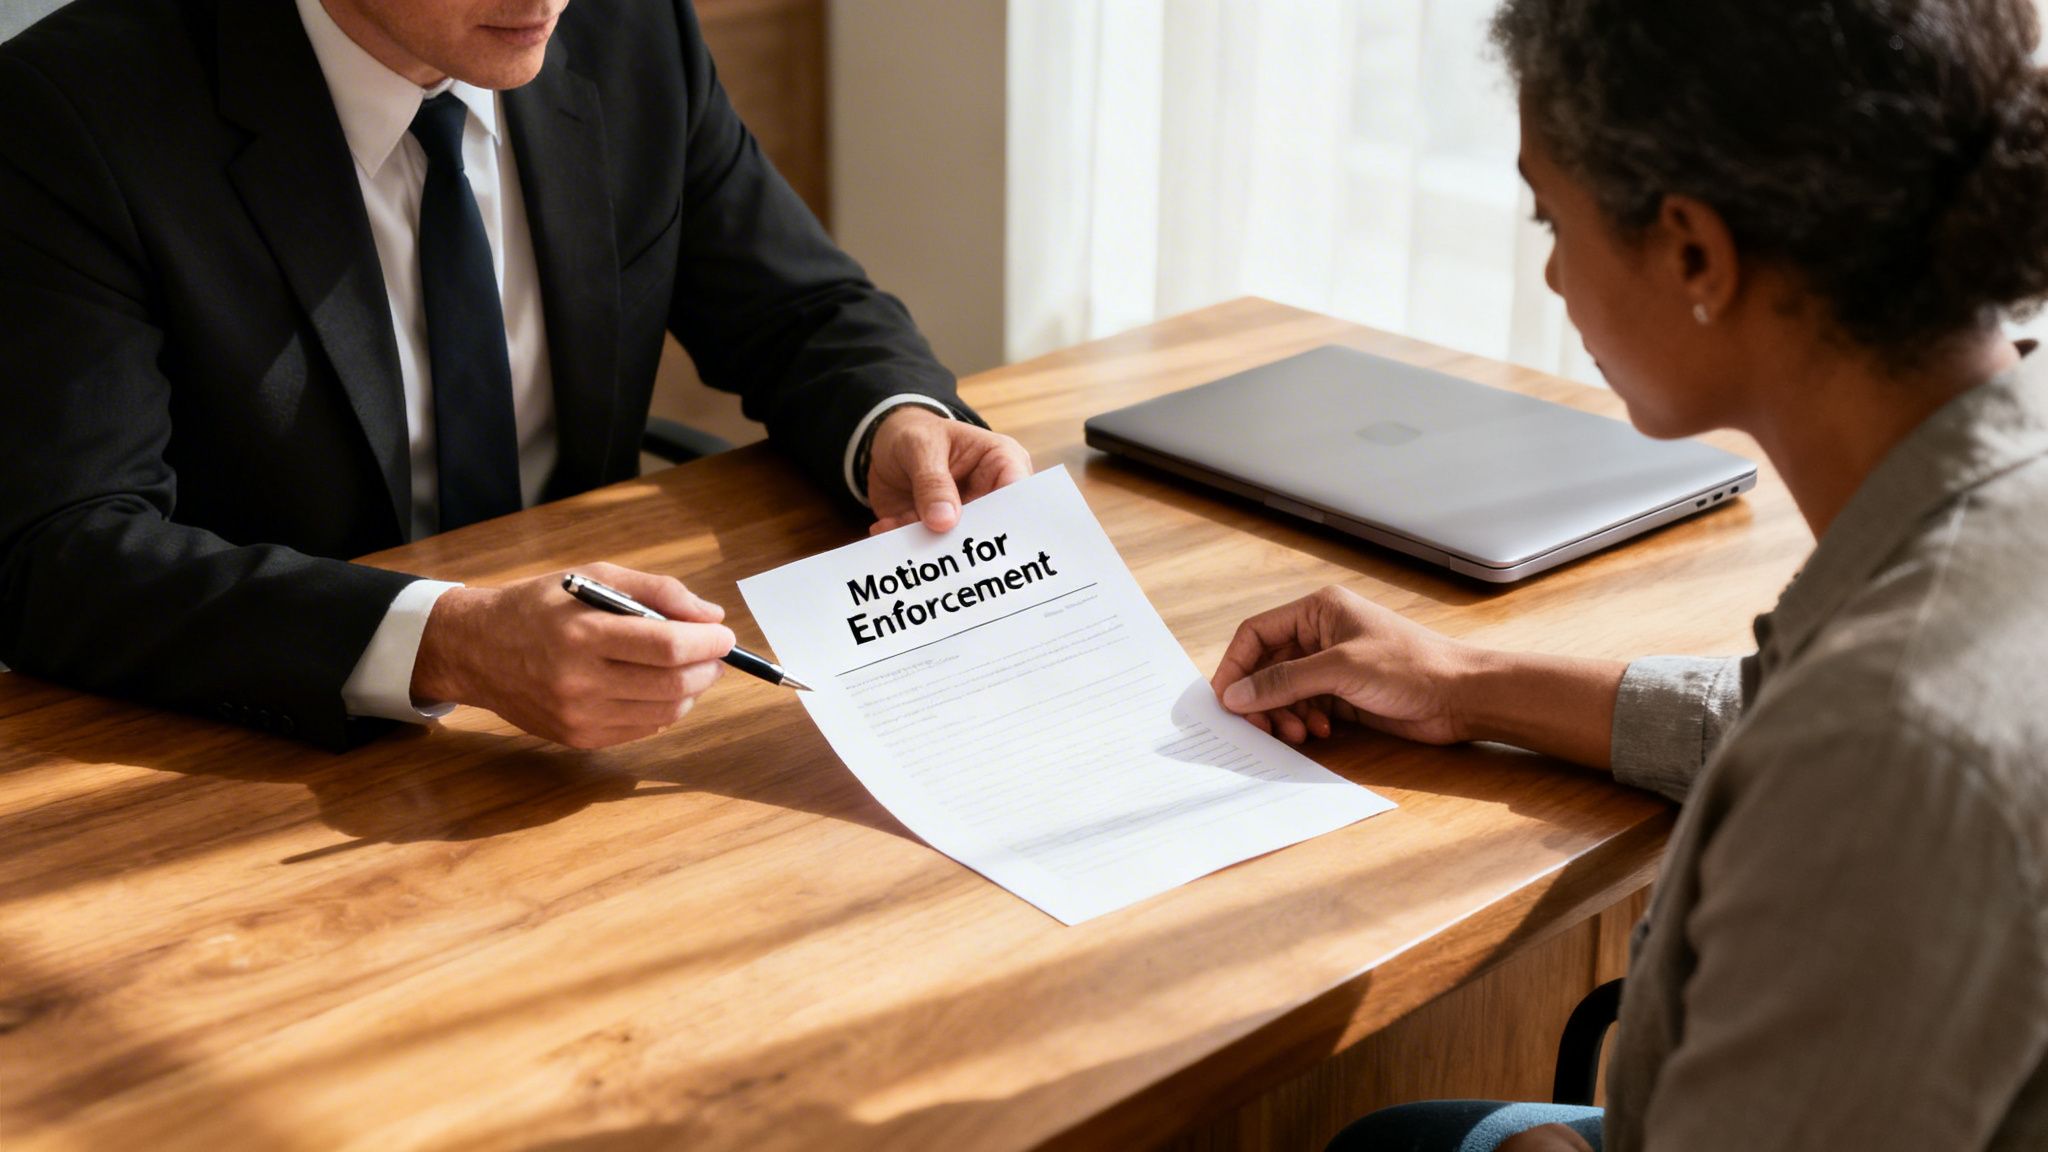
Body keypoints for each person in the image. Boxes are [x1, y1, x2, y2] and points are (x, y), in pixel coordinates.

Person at [1211, 1, 2048, 1149]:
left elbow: (1852, 759)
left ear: (1693, 251)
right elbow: (1770, 726)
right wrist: (1457, 680)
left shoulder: (1891, 744)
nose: (1550, 274)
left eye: (1548, 217)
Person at [0, 0, 1030, 750]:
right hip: (265, 744)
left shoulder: (633, 34)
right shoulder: (71, 114)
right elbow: (59, 550)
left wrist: (893, 421)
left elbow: (797, 310)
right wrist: (447, 642)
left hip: (609, 713)